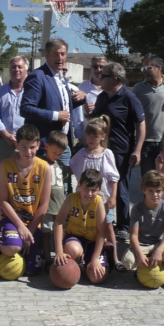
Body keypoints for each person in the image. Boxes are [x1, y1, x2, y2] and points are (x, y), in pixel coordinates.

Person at [92, 62, 145, 240]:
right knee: (99, 186)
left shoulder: (129, 98)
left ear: (115, 79)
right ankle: (100, 220)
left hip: (121, 151)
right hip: (101, 149)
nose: (100, 76)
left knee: (120, 189)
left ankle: (122, 226)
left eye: (104, 75)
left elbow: (141, 124)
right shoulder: (102, 97)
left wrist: (137, 149)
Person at [68, 116, 123, 271]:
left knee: (108, 227)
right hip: (85, 199)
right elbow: (71, 166)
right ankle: (85, 254)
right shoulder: (82, 153)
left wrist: (113, 196)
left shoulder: (107, 154)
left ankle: (115, 258)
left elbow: (114, 178)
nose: (91, 139)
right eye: (89, 135)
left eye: (95, 136)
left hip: (103, 199)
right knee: (87, 226)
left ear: (103, 137)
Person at [0, 124, 51, 275]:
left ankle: (25, 247)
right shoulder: (5, 165)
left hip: (34, 221)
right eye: (23, 147)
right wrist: (21, 227)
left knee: (32, 271)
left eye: (32, 147)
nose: (28, 152)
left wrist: (31, 230)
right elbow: (3, 200)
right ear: (16, 145)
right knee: (12, 247)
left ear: (39, 145)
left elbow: (44, 203)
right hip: (13, 218)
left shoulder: (45, 168)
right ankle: (2, 245)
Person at [20, 38, 84, 163]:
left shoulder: (60, 77)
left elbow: (57, 104)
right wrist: (56, 115)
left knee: (64, 182)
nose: (60, 58)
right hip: (46, 146)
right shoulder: (37, 76)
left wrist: (80, 98)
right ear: (47, 56)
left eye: (63, 54)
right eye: (55, 54)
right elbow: (26, 109)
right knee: (46, 182)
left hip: (63, 144)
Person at [53, 169, 109, 284]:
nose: (89, 194)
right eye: (86, 189)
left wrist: (94, 259)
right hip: (75, 238)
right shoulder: (71, 198)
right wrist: (59, 251)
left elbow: (102, 232)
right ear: (79, 186)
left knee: (96, 278)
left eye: (93, 190)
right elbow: (59, 222)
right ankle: (76, 264)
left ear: (99, 190)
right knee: (72, 250)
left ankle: (105, 257)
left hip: (93, 241)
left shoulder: (99, 203)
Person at [121, 170, 164, 271]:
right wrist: (139, 254)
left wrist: (159, 250)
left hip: (158, 243)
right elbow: (133, 235)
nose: (155, 195)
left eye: (158, 191)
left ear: (163, 190)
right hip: (141, 244)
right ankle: (142, 265)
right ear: (144, 190)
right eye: (150, 191)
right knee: (127, 261)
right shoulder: (137, 208)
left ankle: (159, 264)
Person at [132, 54, 164, 177]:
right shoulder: (138, 88)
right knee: (148, 179)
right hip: (147, 142)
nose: (145, 71)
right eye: (143, 68)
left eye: (148, 68)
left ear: (159, 68)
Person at [38, 131, 69, 271]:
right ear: (46, 147)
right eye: (54, 152)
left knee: (60, 234)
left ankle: (59, 255)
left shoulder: (61, 165)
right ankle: (48, 259)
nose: (56, 156)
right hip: (46, 206)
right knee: (46, 233)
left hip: (59, 206)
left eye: (60, 154)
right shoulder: (39, 162)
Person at [0, 55, 27, 163]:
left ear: (26, 69)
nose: (16, 70)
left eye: (20, 67)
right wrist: (6, 136)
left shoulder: (32, 91)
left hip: (27, 143)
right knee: (6, 176)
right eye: (13, 67)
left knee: (26, 175)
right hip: (4, 142)